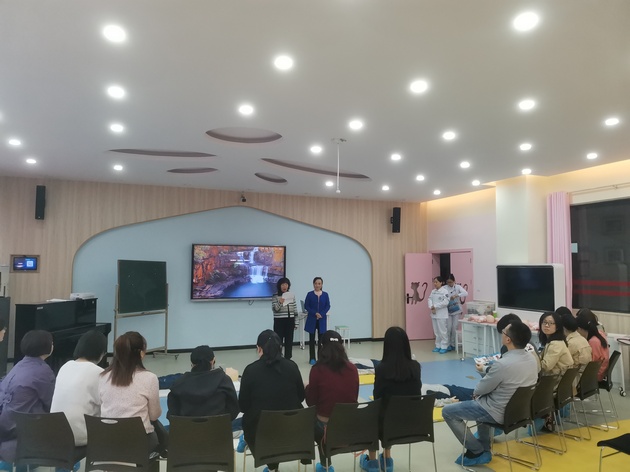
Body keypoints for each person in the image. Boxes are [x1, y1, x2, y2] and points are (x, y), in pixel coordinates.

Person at [442, 320, 538, 467]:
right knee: (481, 400)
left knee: (448, 412)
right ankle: (484, 446)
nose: (502, 334)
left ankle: (476, 450)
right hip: (520, 412)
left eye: (504, 332)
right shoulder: (531, 359)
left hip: (497, 412)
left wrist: (481, 382)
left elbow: (480, 389)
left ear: (508, 339)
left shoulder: (503, 364)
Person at [239, 330, 304, 472]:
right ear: (280, 347)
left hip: (260, 433)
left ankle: (271, 466)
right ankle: (273, 467)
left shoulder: (250, 370)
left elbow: (243, 406)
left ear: (259, 348)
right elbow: (301, 397)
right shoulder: (292, 366)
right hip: (292, 430)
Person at [360, 327, 421, 472]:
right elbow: (417, 394)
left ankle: (372, 462)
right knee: (391, 412)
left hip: (387, 422)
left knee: (372, 414)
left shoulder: (382, 369)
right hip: (413, 422)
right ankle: (387, 459)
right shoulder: (415, 367)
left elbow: (377, 397)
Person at [99, 331, 164, 455]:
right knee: (161, 436)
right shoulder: (149, 378)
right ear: (141, 353)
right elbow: (154, 415)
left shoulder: (103, 377)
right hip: (138, 442)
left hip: (108, 440)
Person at [306, 330, 359, 472]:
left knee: (310, 417)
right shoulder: (353, 369)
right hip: (349, 424)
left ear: (322, 348)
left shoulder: (317, 370)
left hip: (324, 427)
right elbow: (354, 397)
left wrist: (308, 389)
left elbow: (311, 402)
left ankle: (325, 465)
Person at [0, 330, 55, 463]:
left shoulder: (19, 365)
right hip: (22, 428)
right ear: (46, 346)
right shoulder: (43, 371)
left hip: (5, 422)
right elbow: (52, 403)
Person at [51, 330, 108, 446]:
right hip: (81, 436)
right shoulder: (99, 373)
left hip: (56, 433)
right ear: (101, 353)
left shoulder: (65, 366)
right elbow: (107, 406)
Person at [167, 345, 240, 429]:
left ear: (192, 363)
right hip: (219, 433)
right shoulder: (224, 380)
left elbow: (172, 415)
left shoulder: (178, 384)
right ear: (213, 361)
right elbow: (234, 410)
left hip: (186, 434)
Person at [576, 308, 610, 381]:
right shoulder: (600, 333)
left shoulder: (593, 341)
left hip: (596, 375)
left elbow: (591, 363)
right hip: (601, 371)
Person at [304, 276, 331, 365]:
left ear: (322, 285)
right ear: (313, 284)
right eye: (315, 283)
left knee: (321, 341)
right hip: (312, 319)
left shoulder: (325, 294)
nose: (317, 285)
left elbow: (328, 306)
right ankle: (312, 358)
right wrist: (315, 313)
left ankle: (320, 358)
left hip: (321, 320)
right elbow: (306, 306)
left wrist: (321, 314)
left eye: (319, 283)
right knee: (311, 340)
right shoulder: (309, 294)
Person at [538, 312, 573, 377]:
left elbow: (546, 366)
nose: (547, 325)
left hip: (557, 380)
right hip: (555, 378)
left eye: (551, 323)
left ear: (557, 327)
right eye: (544, 322)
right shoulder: (553, 341)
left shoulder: (556, 344)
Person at [272, 277, 298, 360]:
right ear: (279, 286)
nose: (284, 286)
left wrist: (296, 322)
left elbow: (295, 309)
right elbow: (275, 309)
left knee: (289, 341)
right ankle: (278, 358)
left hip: (290, 320)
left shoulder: (291, 295)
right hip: (279, 321)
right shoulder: (275, 296)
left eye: (286, 284)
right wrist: (280, 302)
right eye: (282, 284)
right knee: (278, 341)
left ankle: (288, 358)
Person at [445, 274, 468, 352]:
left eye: (451, 282)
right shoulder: (444, 288)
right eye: (448, 282)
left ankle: (453, 344)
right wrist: (448, 298)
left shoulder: (458, 287)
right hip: (448, 310)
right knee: (448, 328)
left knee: (455, 327)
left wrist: (457, 295)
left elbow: (465, 293)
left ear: (454, 281)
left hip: (456, 310)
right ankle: (448, 344)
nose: (450, 284)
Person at [428, 276, 450, 354]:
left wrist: (435, 306)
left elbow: (446, 302)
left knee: (442, 331)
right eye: (434, 282)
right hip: (434, 313)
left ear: (441, 283)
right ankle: (438, 345)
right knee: (436, 331)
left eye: (436, 282)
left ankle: (444, 346)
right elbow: (429, 299)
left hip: (441, 314)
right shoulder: (433, 291)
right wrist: (431, 306)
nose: (435, 283)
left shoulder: (445, 291)